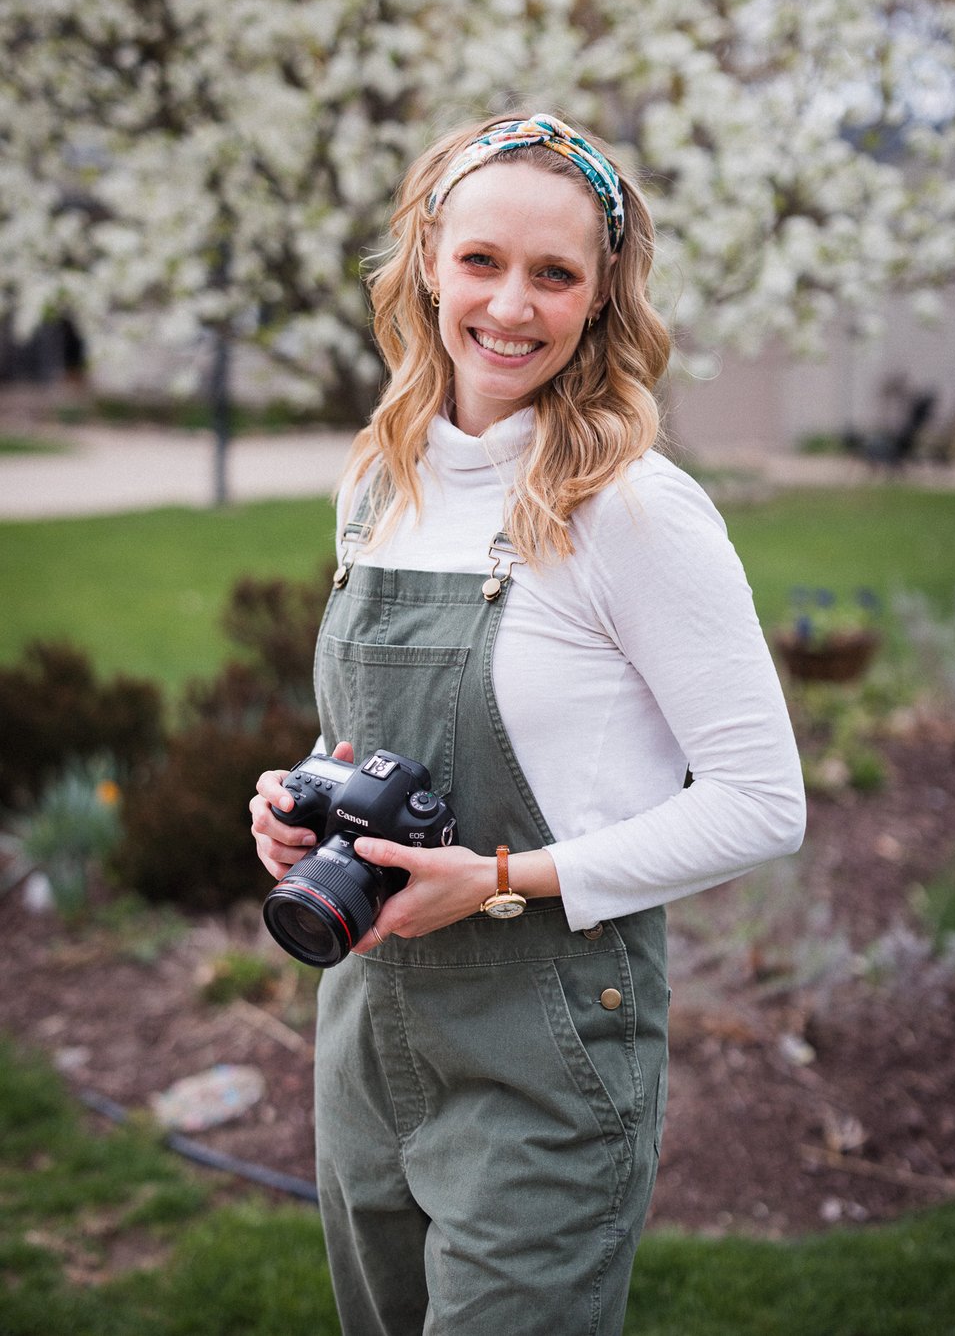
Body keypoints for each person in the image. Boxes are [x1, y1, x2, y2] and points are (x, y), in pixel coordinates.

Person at [250, 111, 806, 1336]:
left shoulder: (638, 510)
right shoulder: (377, 477)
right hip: (365, 1026)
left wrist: (499, 877)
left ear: (603, 299)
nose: (511, 304)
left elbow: (764, 800)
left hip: (546, 1044)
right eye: (482, 261)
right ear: (426, 263)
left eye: (554, 273)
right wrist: (298, 806)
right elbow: (367, 737)